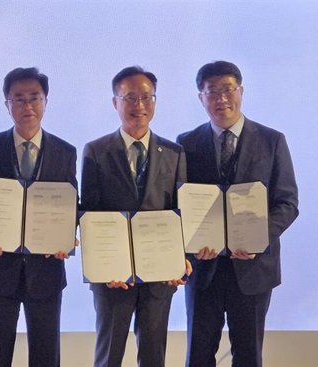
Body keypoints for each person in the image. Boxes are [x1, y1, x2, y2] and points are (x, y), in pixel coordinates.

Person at [178, 61, 298, 367]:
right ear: (200, 97)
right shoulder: (185, 144)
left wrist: (258, 236)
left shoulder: (272, 140)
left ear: (241, 91)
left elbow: (287, 203)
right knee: (198, 355)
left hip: (254, 269)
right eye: (212, 92)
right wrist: (188, 244)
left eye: (228, 90)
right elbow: (178, 205)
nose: (221, 99)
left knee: (248, 356)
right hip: (204, 269)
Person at [0, 67, 76, 367]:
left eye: (34, 98)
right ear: (7, 104)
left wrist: (68, 238)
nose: (27, 106)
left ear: (45, 101)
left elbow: (71, 205)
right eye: (19, 99)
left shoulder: (65, 152)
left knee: (46, 355)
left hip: (47, 270)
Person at [80, 66, 190, 367]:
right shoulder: (95, 151)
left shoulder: (175, 152)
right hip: (113, 279)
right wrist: (102, 267)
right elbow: (88, 211)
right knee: (108, 356)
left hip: (160, 277)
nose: (139, 106)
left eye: (146, 97)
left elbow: (182, 212)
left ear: (155, 101)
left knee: (154, 356)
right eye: (130, 97)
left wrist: (180, 259)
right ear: (115, 102)